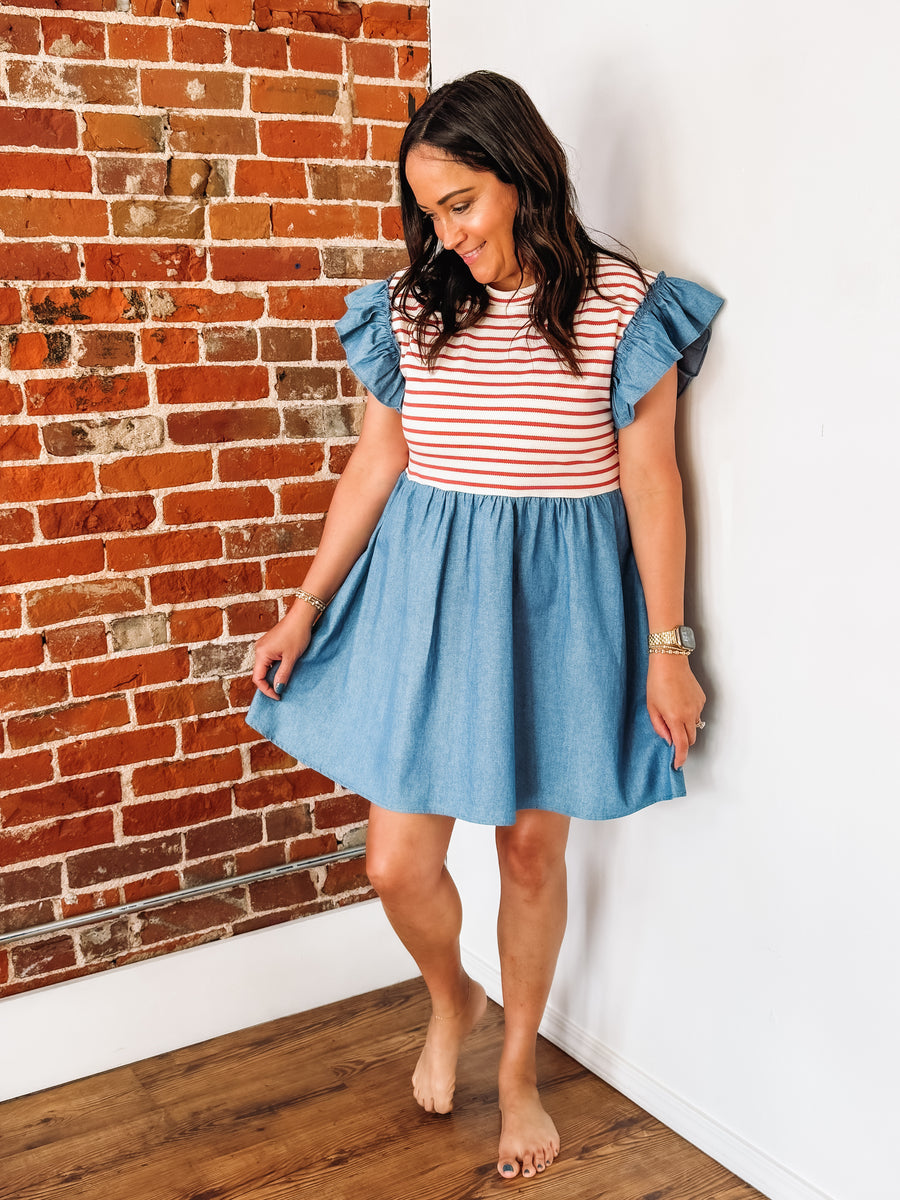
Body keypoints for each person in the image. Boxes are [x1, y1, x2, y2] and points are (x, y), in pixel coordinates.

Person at [248, 70, 722, 1182]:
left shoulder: (623, 304)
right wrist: (304, 605)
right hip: (425, 596)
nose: (448, 232)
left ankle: (516, 1072)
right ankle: (452, 995)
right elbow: (378, 460)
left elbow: (652, 482)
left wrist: (669, 650)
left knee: (529, 851)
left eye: (461, 203)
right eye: (430, 211)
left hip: (558, 604)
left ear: (521, 174)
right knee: (395, 864)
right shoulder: (414, 304)